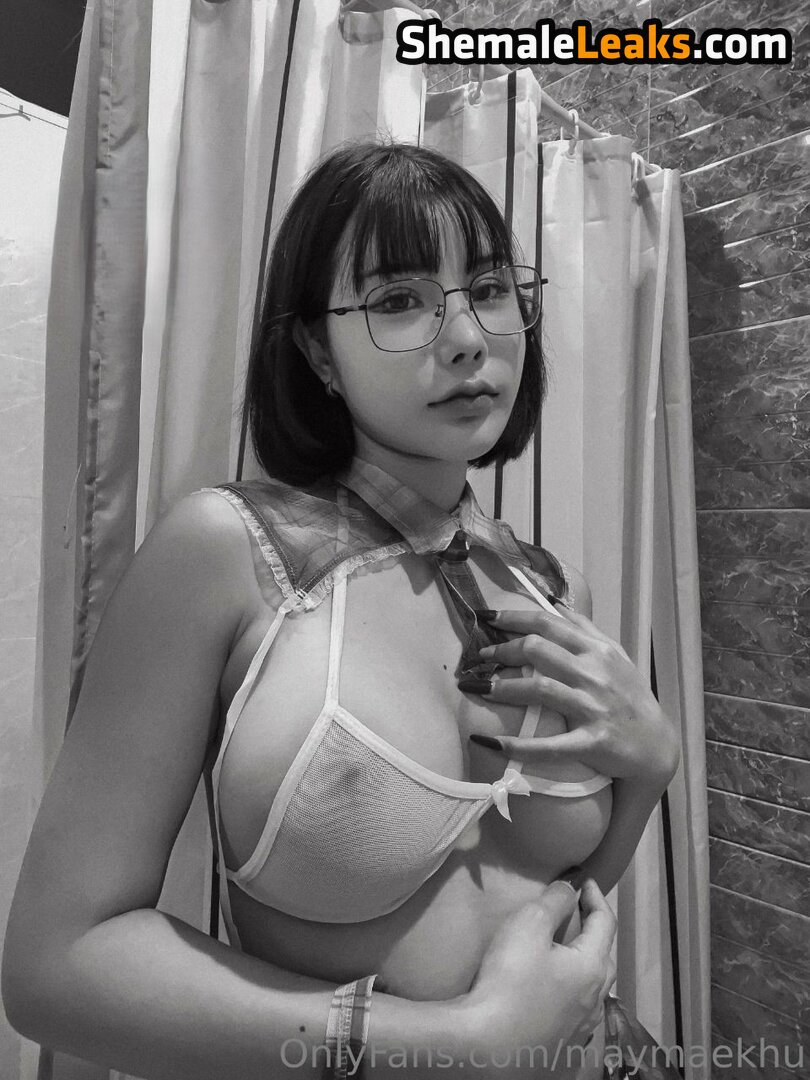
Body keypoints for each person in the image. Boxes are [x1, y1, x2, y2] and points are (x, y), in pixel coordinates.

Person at [2, 140, 679, 1080]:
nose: (467, 337)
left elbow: (559, 909)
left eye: (489, 289)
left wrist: (651, 768)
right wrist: (461, 1050)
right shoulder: (228, 554)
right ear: (318, 351)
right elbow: (56, 970)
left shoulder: (545, 587)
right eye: (400, 300)